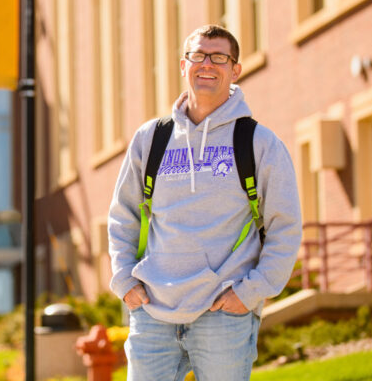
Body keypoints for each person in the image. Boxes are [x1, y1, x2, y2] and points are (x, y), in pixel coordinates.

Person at [107, 25, 302, 381]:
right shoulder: (152, 138)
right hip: (152, 311)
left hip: (223, 313)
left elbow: (285, 227)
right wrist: (124, 280)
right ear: (184, 65)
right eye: (198, 56)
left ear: (235, 69)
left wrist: (250, 293)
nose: (207, 64)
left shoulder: (258, 142)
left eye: (219, 57)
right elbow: (123, 216)